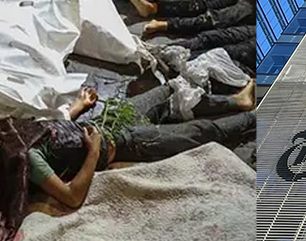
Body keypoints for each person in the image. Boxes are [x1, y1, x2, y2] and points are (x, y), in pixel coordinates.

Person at [26, 82, 255, 209]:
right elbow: (72, 196)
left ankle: (236, 101)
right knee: (201, 132)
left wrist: (78, 106)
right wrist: (94, 151)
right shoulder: (31, 158)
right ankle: (256, 117)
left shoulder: (24, 130)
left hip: (110, 121)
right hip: (126, 143)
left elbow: (56, 130)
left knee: (168, 92)